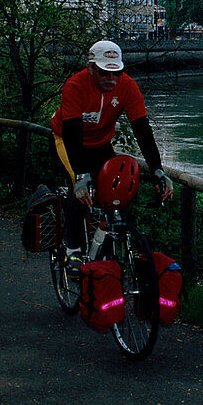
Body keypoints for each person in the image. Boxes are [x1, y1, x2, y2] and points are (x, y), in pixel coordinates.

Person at [50, 40, 173, 275]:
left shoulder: (127, 86)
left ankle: (107, 237)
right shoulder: (75, 86)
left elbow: (142, 130)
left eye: (116, 72)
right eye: (104, 72)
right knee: (81, 191)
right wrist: (80, 175)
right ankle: (72, 250)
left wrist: (158, 169)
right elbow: (73, 132)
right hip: (68, 140)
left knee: (117, 188)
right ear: (90, 68)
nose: (111, 79)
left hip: (101, 143)